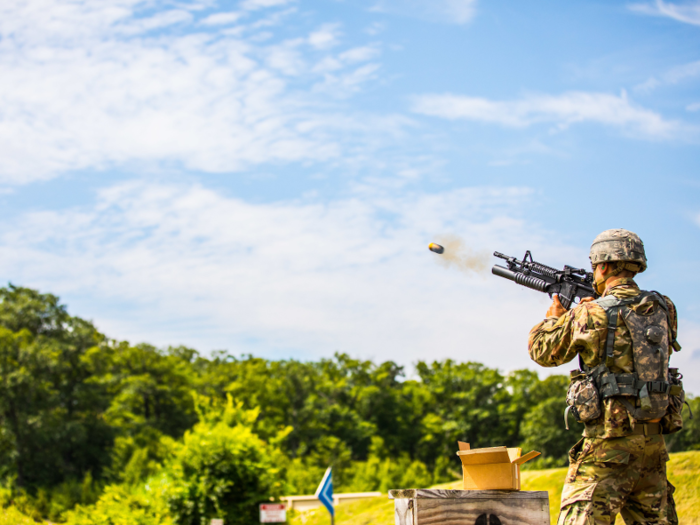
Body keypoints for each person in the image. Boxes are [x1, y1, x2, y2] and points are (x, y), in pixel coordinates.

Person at [528, 229, 685, 525]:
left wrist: (553, 317)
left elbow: (542, 351)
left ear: (602, 266)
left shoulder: (590, 313)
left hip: (607, 448)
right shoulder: (665, 308)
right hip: (653, 447)